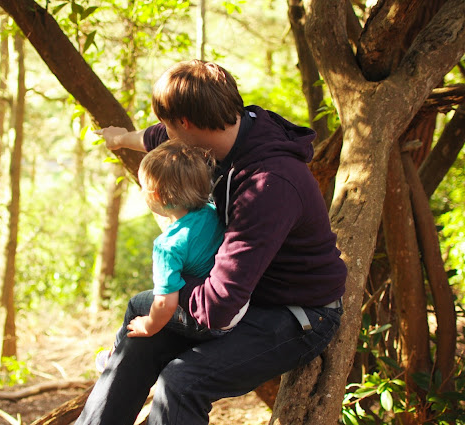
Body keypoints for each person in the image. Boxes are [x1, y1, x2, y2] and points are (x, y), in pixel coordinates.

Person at [77, 60, 347, 425]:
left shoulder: (268, 185)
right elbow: (158, 137)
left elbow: (217, 308)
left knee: (182, 381)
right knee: (142, 323)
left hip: (296, 314)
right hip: (244, 296)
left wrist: (169, 291)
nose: (166, 133)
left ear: (186, 123)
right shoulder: (223, 133)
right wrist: (121, 138)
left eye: (170, 125)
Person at [96, 140, 228, 372]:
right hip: (229, 306)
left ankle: (114, 357)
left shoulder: (167, 246)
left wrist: (149, 325)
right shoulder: (213, 211)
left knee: (137, 302)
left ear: (155, 195)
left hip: (206, 323)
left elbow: (165, 304)